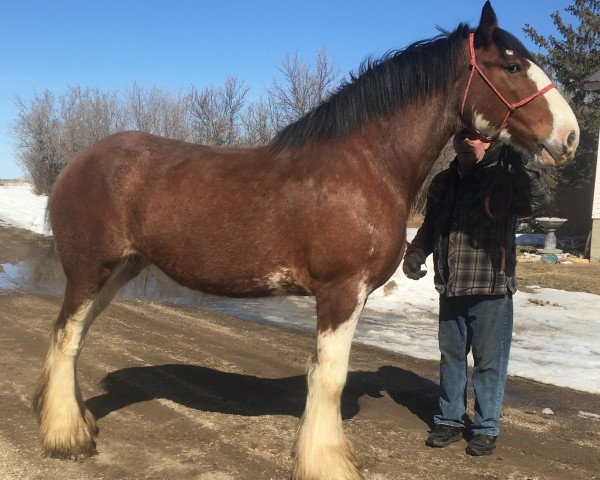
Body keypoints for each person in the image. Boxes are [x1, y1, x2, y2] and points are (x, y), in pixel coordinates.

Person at [403, 129, 550, 456]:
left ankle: (485, 427)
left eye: (475, 137)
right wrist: (415, 253)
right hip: (451, 286)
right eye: (460, 137)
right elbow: (431, 226)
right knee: (451, 357)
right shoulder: (444, 181)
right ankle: (450, 420)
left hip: (491, 287)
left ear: (490, 141)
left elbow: (537, 200)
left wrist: (523, 161)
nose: (466, 142)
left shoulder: (506, 178)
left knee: (488, 362)